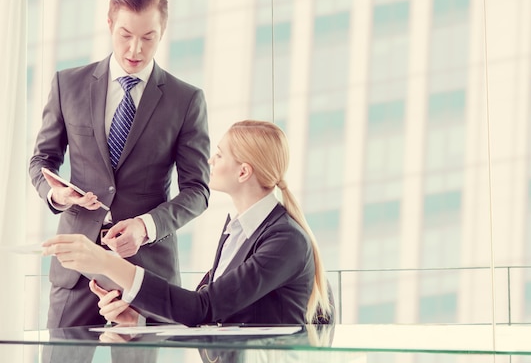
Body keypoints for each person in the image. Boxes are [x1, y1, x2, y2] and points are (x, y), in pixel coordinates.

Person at [29, 0, 211, 330]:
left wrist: (145, 228)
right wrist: (57, 194)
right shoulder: (68, 85)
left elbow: (198, 192)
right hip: (75, 267)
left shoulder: (185, 100)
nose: (135, 50)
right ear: (110, 24)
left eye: (148, 38)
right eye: (126, 35)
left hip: (145, 272)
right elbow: (41, 160)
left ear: (163, 32)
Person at [43, 120, 333, 327]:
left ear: (243, 172)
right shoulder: (238, 230)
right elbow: (206, 309)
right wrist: (138, 321)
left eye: (219, 155)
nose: (210, 160)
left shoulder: (285, 240)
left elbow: (202, 309)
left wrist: (106, 263)